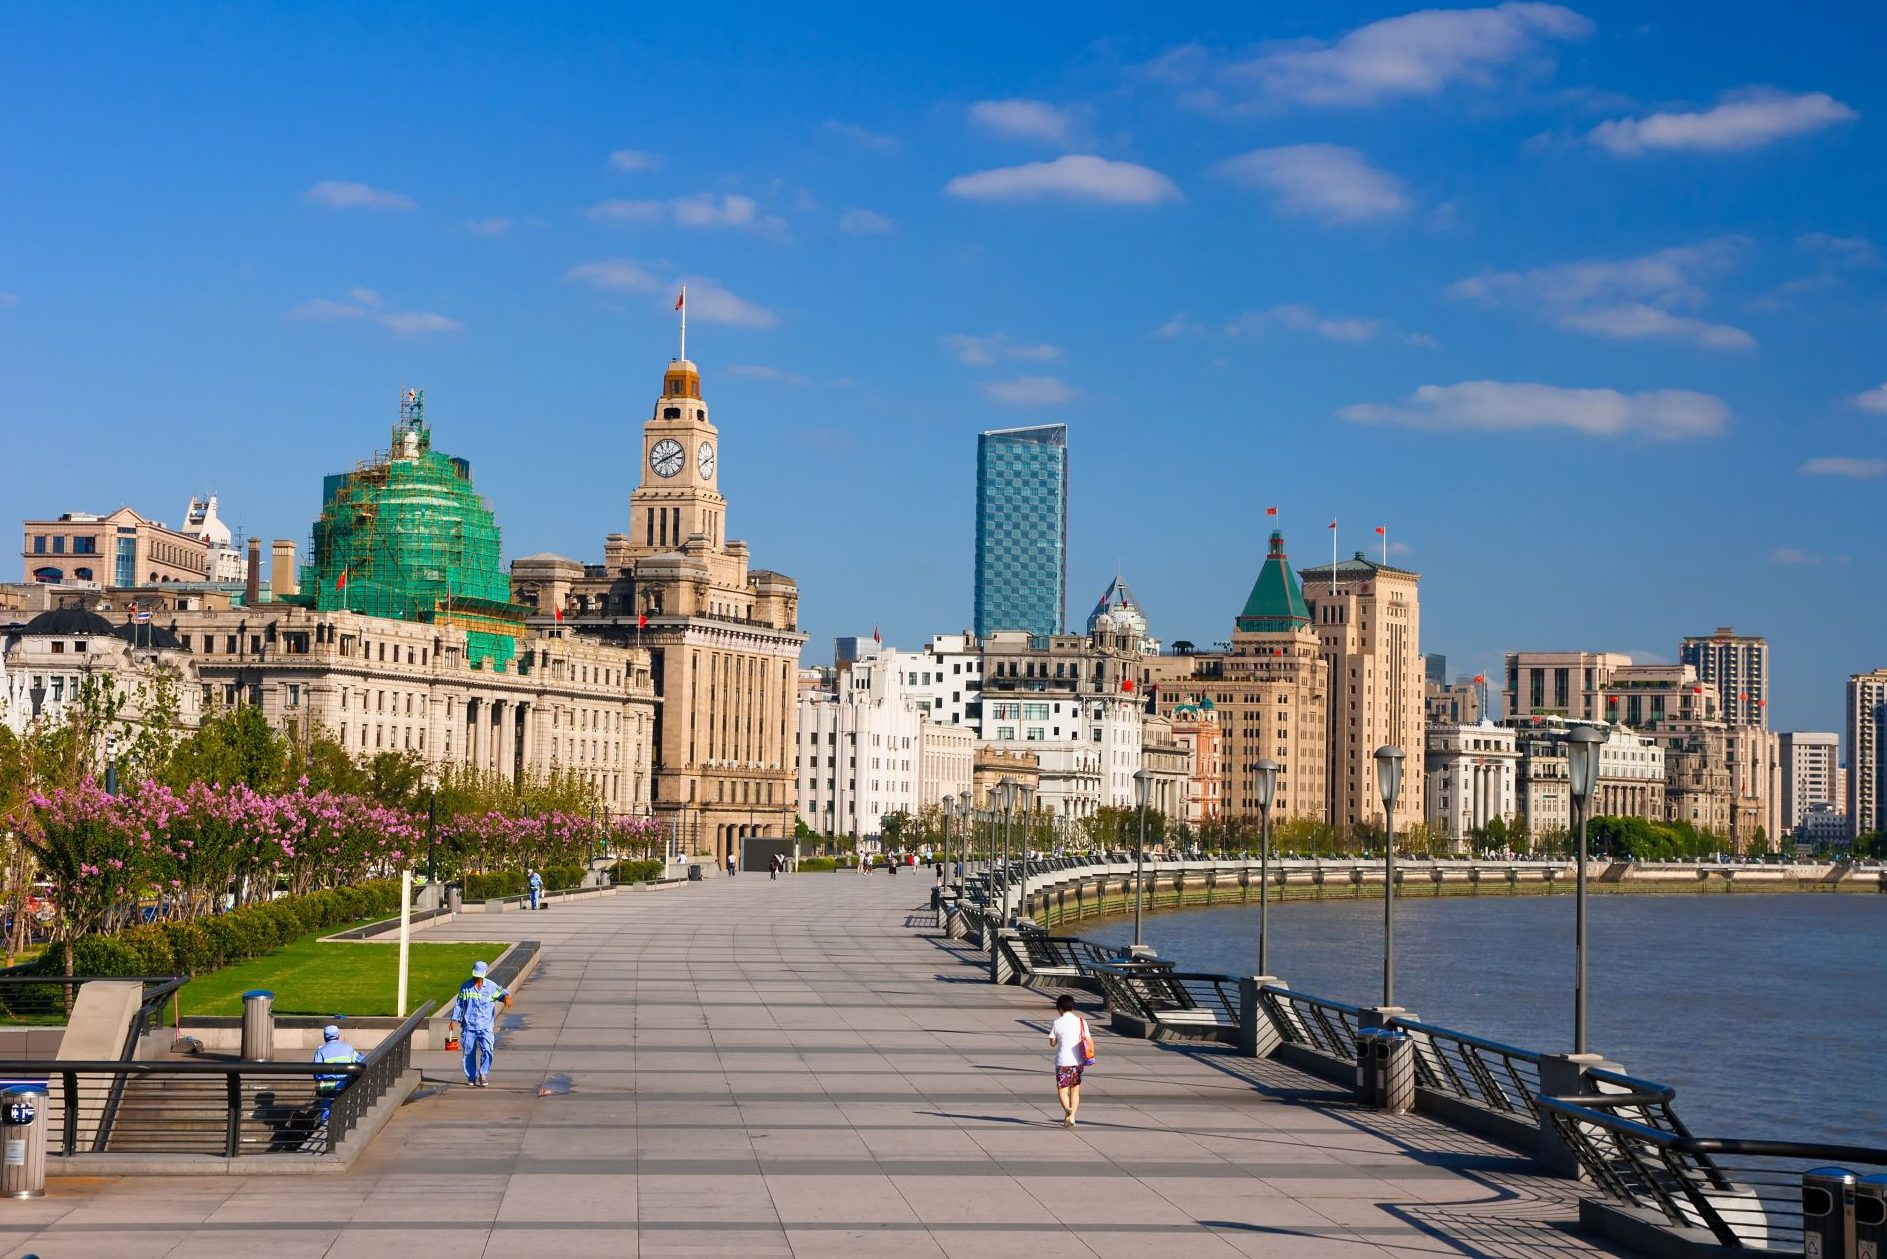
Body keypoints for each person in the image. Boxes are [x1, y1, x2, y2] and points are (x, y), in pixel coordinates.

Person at [449, 960, 512, 1088]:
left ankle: (483, 1074)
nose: (477, 978)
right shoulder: (465, 987)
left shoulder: (491, 986)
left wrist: (506, 997)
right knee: (468, 1051)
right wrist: (453, 1020)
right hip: (469, 1026)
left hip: (485, 1026)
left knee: (487, 1049)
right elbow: (459, 1005)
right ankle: (471, 1076)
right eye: (476, 975)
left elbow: (503, 992)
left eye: (480, 976)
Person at [1048, 994, 1090, 1128]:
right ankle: (1072, 1117)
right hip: (1078, 1061)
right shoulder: (1082, 1022)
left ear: (1059, 1008)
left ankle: (1067, 1108)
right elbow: (1088, 1040)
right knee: (1075, 1090)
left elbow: (1052, 1043)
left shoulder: (1057, 1022)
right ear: (1072, 1007)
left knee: (1062, 1090)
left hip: (1062, 1062)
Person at [311, 1024, 362, 1123]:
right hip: (345, 1083)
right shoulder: (348, 1048)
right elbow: (360, 1061)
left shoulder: (320, 1051)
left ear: (325, 1037)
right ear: (338, 1036)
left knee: (326, 1107)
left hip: (328, 1085)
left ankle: (325, 1126)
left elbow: (316, 1073)